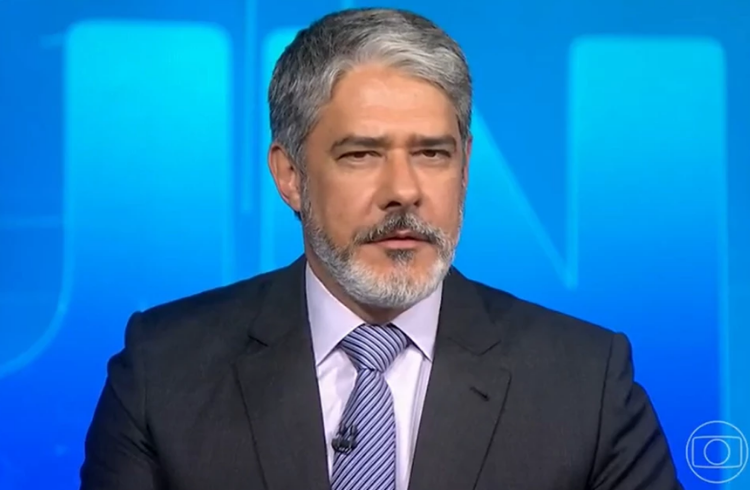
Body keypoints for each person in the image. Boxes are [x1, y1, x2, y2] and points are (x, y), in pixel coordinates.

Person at [80, 7, 684, 490]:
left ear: (465, 168)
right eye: (362, 154)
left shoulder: (587, 383)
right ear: (290, 176)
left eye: (432, 153)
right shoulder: (163, 371)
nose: (404, 190)